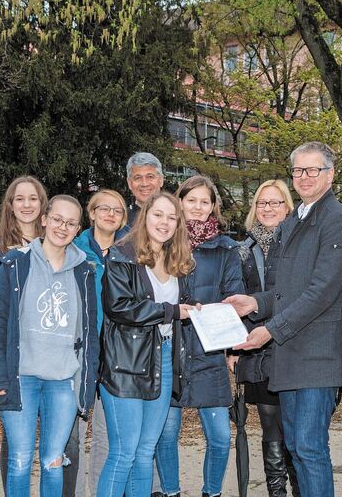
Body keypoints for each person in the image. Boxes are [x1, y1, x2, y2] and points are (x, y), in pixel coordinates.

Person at [226, 141, 342, 497]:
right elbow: (283, 292)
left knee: (310, 449)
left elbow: (321, 292)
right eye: (298, 170)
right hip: (288, 356)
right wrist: (251, 304)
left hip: (318, 358)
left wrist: (268, 331)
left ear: (330, 175)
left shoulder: (339, 221)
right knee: (296, 449)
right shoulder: (291, 223)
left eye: (313, 169)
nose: (304, 177)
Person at [0, 194, 100, 497]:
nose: (62, 226)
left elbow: (90, 331)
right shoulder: (15, 263)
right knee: (18, 459)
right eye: (57, 219)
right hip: (22, 378)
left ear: (77, 228)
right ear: (44, 219)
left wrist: (87, 381)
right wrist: (0, 376)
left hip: (63, 381)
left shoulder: (84, 271)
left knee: (54, 462)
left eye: (70, 223)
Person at [97, 192, 197, 497]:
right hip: (125, 362)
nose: (164, 222)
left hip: (162, 358)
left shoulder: (175, 259)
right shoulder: (121, 255)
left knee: (145, 452)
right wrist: (173, 311)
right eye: (158, 215)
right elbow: (120, 306)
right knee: (124, 452)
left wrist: (194, 308)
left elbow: (177, 303)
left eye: (171, 217)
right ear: (145, 217)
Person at [153, 175, 244, 497]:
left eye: (204, 202)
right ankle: (171, 491)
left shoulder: (226, 250)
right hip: (169, 352)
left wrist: (231, 339)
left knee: (219, 436)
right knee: (166, 434)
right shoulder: (160, 243)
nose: (197, 207)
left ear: (212, 208)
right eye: (191, 200)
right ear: (179, 202)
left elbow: (235, 296)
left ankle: (212, 492)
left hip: (208, 353)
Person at [233, 179, 300, 496]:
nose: (268, 209)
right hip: (257, 349)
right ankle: (277, 491)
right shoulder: (244, 250)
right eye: (262, 203)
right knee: (270, 426)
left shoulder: (299, 244)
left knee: (296, 431)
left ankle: (301, 488)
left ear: (288, 207)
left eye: (275, 202)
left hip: (293, 344)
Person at [60, 189, 129, 497]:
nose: (110, 214)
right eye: (104, 208)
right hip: (78, 354)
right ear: (91, 213)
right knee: (70, 435)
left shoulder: (130, 251)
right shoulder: (73, 249)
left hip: (116, 356)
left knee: (106, 436)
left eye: (117, 210)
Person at [0, 176, 48, 492]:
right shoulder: (0, 249)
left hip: (53, 361)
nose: (27, 204)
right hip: (13, 360)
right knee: (16, 449)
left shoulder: (58, 243)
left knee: (60, 449)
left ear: (43, 204)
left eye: (33, 198)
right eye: (20, 198)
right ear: (10, 205)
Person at [125, 152, 164, 227]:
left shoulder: (176, 217)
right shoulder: (120, 220)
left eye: (150, 177)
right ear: (129, 183)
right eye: (138, 178)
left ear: (161, 180)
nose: (144, 183)